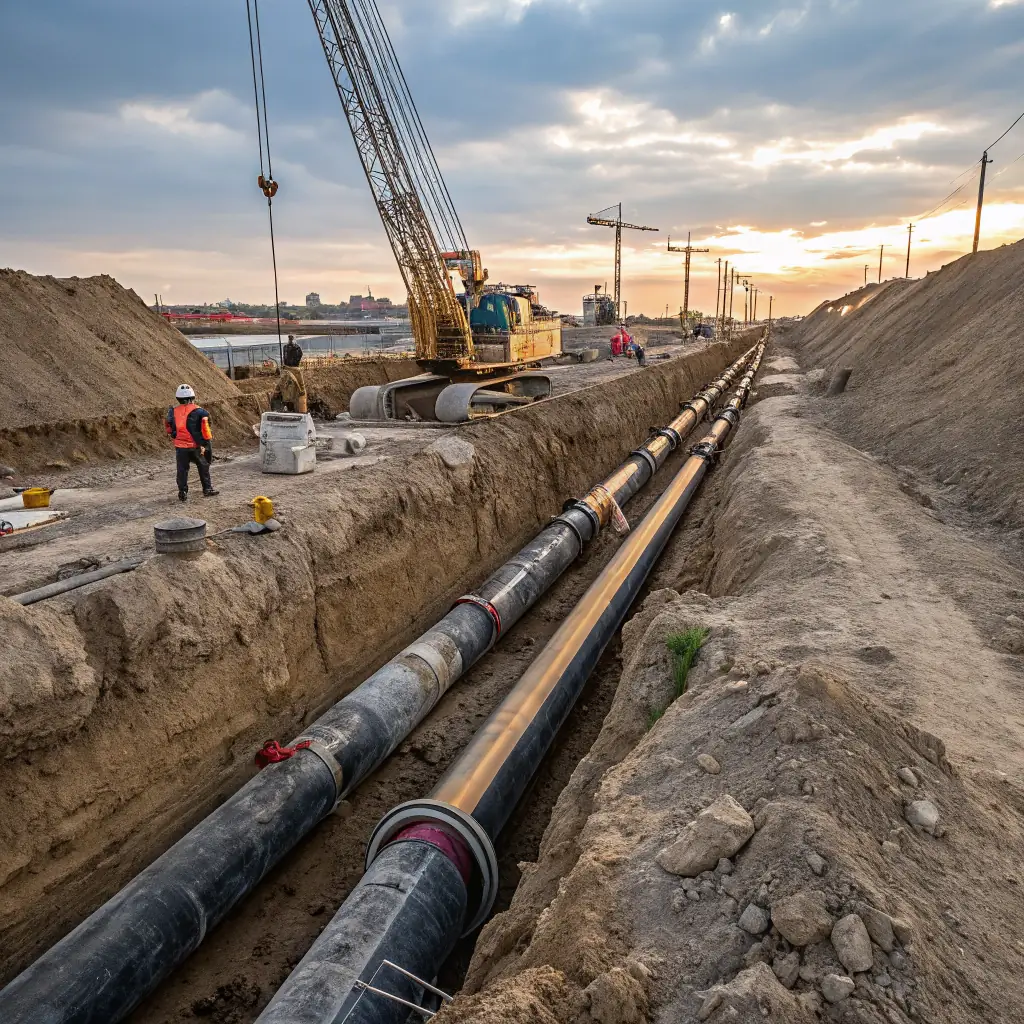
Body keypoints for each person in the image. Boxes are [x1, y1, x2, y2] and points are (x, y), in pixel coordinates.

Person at [165, 384, 219, 502]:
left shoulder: (172, 411)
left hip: (180, 447)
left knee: (182, 469)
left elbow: (169, 428)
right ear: (192, 397)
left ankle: (182, 491)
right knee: (203, 466)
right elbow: (206, 430)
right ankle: (207, 489)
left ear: (178, 398)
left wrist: (175, 435)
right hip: (196, 446)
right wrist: (206, 445)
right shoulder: (201, 412)